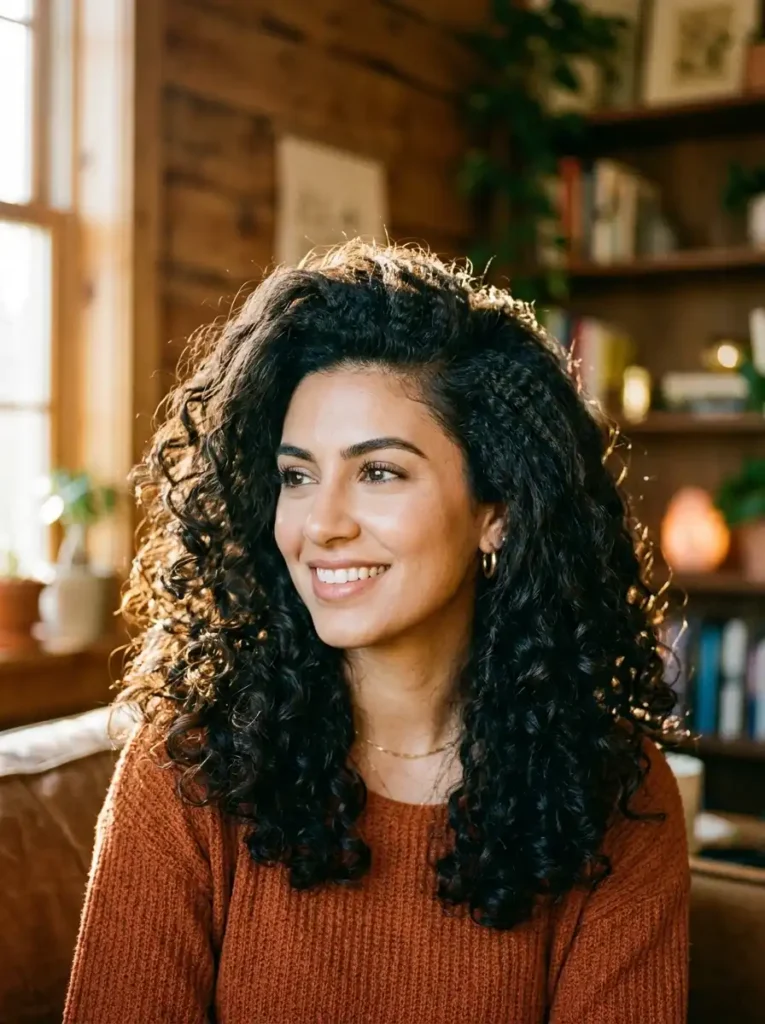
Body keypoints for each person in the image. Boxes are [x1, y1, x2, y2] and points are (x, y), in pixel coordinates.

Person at [64, 240, 689, 1024]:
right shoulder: (186, 773)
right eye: (297, 476)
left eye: (379, 472)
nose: (320, 524)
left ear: (495, 512)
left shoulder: (614, 794)